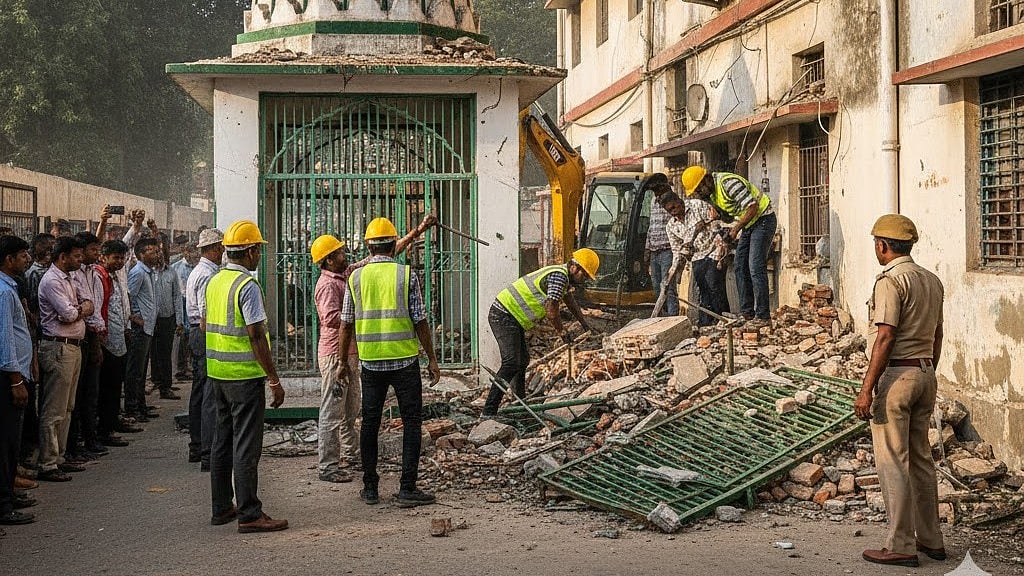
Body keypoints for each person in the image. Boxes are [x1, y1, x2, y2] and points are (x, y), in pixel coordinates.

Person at [310, 215, 437, 484]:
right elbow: (333, 320)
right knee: (333, 411)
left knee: (352, 411)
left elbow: (382, 256)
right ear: (329, 260)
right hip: (335, 355)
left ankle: (352, 456)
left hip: (355, 355)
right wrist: (362, 313)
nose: (345, 254)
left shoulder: (349, 275)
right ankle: (328, 465)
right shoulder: (328, 285)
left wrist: (418, 231)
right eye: (340, 252)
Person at [854, 214, 945, 568]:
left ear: (882, 246)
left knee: (893, 461)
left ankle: (901, 544)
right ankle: (931, 539)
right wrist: (926, 371)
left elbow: (886, 336)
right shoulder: (931, 280)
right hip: (924, 372)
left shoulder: (890, 281)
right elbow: (937, 335)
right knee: (921, 459)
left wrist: (867, 389)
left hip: (897, 376)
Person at [338, 217, 441, 508]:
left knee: (370, 423)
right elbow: (420, 320)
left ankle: (370, 487)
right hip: (405, 361)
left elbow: (345, 324)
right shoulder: (406, 275)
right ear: (394, 244)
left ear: (368, 246)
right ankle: (407, 488)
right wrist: (432, 358)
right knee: (412, 423)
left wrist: (342, 362)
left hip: (371, 363)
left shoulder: (355, 277)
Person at [205, 220, 287, 533]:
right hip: (243, 376)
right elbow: (256, 335)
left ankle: (222, 507)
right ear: (250, 251)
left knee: (222, 442)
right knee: (246, 446)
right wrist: (274, 379)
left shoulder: (215, 281)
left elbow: (205, 324)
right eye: (258, 251)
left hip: (218, 373)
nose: (259, 256)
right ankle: (250, 513)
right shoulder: (246, 285)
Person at [481, 248, 600, 418]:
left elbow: (569, 301)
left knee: (522, 361)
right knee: (511, 362)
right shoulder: (559, 277)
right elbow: (551, 310)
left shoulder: (562, 277)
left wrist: (584, 324)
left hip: (511, 317)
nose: (585, 279)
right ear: (575, 267)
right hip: (504, 315)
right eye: (585, 275)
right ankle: (489, 411)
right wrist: (562, 332)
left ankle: (520, 404)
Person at [682, 166, 776, 323]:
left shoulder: (728, 183)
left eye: (699, 190)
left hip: (763, 219)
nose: (699, 194)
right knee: (740, 266)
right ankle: (747, 313)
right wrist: (718, 216)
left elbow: (752, 207)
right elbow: (730, 217)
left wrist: (735, 230)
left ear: (706, 180)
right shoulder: (713, 195)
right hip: (749, 224)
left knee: (755, 266)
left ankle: (763, 315)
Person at [35, 236, 90, 482]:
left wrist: (80, 309)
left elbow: (88, 302)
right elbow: (68, 314)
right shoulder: (51, 281)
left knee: (67, 407)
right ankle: (47, 463)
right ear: (63, 257)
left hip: (73, 346)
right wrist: (80, 309)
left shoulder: (71, 278)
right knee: (54, 409)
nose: (80, 260)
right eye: (76, 256)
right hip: (58, 347)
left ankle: (59, 457)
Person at [656, 188, 729, 326]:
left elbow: (717, 224)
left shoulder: (697, 205)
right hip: (697, 256)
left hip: (714, 250)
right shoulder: (671, 226)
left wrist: (721, 247)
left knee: (714, 285)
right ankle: (707, 323)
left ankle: (723, 319)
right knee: (703, 289)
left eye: (674, 207)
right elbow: (676, 250)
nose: (673, 212)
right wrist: (673, 270)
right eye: (669, 211)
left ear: (679, 201)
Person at [0, 235, 35, 524]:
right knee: (6, 441)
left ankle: (8, 493)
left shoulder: (10, 287)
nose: (27, 259)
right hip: (9, 378)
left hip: (18, 373)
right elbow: (6, 339)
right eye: (23, 255)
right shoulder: (3, 292)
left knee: (13, 440)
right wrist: (15, 380)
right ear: (8, 259)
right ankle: (3, 503)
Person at [66, 231, 108, 462]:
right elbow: (83, 308)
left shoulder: (93, 272)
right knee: (78, 396)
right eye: (92, 249)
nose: (96, 253)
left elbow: (94, 306)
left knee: (90, 393)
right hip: (83, 336)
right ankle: (75, 445)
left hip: (93, 334)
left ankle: (89, 439)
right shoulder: (74, 275)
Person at [185, 228, 224, 470]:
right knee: (207, 393)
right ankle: (206, 450)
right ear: (215, 249)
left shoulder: (202, 271)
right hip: (203, 333)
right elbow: (205, 317)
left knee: (200, 391)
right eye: (221, 248)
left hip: (197, 333)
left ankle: (198, 445)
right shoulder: (207, 275)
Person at [95, 240, 132, 448]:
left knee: (116, 386)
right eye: (115, 258)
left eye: (122, 258)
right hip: (106, 340)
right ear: (103, 257)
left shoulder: (116, 276)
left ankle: (112, 423)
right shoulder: (99, 276)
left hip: (119, 336)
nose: (119, 261)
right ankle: (104, 430)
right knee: (107, 388)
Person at [123, 237, 162, 422]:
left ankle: (141, 406)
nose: (157, 255)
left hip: (147, 327)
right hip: (140, 328)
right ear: (141, 254)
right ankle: (132, 408)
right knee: (135, 371)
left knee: (141, 370)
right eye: (152, 251)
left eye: (157, 251)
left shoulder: (149, 272)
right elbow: (129, 296)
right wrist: (135, 316)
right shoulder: (138, 272)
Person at [150, 241, 183, 400]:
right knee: (152, 354)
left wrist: (179, 320)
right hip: (150, 320)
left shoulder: (171, 272)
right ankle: (154, 382)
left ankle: (166, 387)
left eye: (162, 252)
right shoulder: (148, 272)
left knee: (165, 354)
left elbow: (177, 296)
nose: (159, 256)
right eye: (156, 252)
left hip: (167, 319)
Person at [645, 176, 677, 316]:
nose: (656, 194)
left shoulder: (673, 200)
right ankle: (661, 317)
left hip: (667, 250)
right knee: (657, 287)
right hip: (654, 250)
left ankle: (672, 318)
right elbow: (652, 226)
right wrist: (647, 248)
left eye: (657, 190)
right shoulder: (653, 201)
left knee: (668, 287)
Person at [171, 244, 198, 382]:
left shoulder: (196, 268)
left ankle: (189, 367)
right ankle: (180, 368)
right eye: (193, 252)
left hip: (192, 304)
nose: (196, 256)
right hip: (182, 304)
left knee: (190, 337)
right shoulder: (176, 268)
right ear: (186, 253)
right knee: (182, 338)